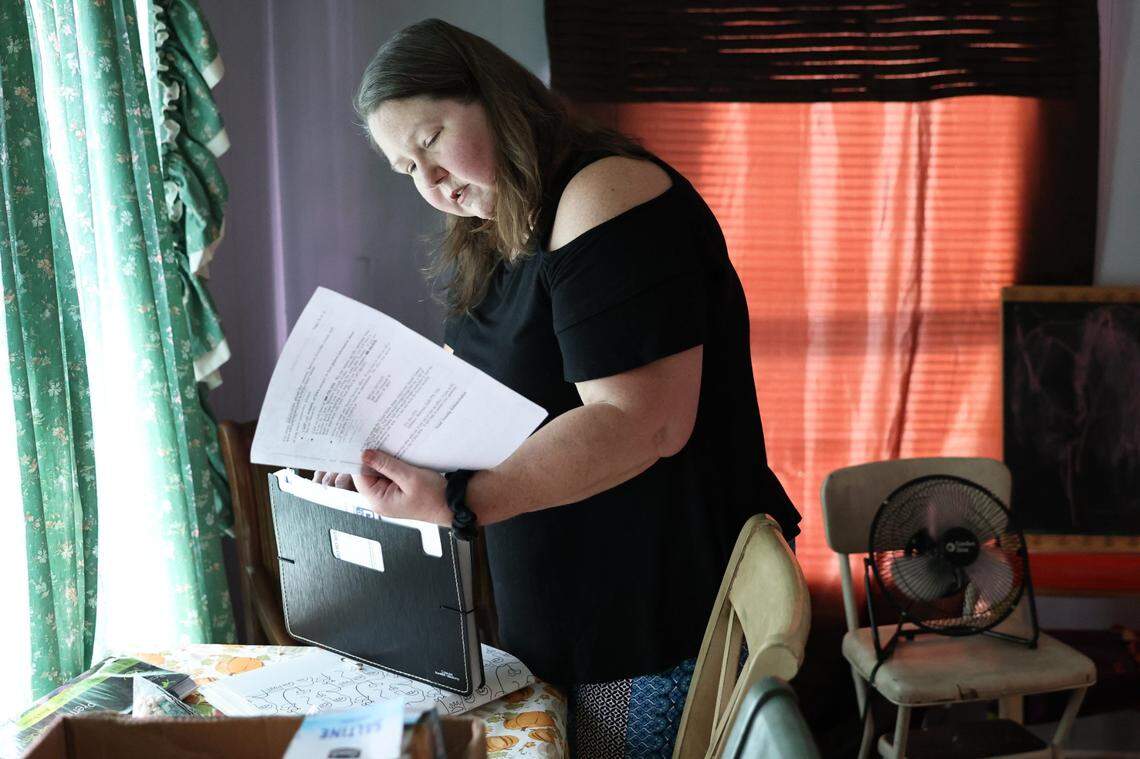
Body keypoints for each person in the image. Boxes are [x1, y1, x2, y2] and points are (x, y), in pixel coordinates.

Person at [317, 18, 801, 757]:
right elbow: (484, 400)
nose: (431, 182)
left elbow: (643, 422)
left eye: (430, 142)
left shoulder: (607, 194)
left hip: (646, 609)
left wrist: (458, 502)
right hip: (564, 606)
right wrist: (385, 462)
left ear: (496, 99)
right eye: (407, 170)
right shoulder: (500, 227)